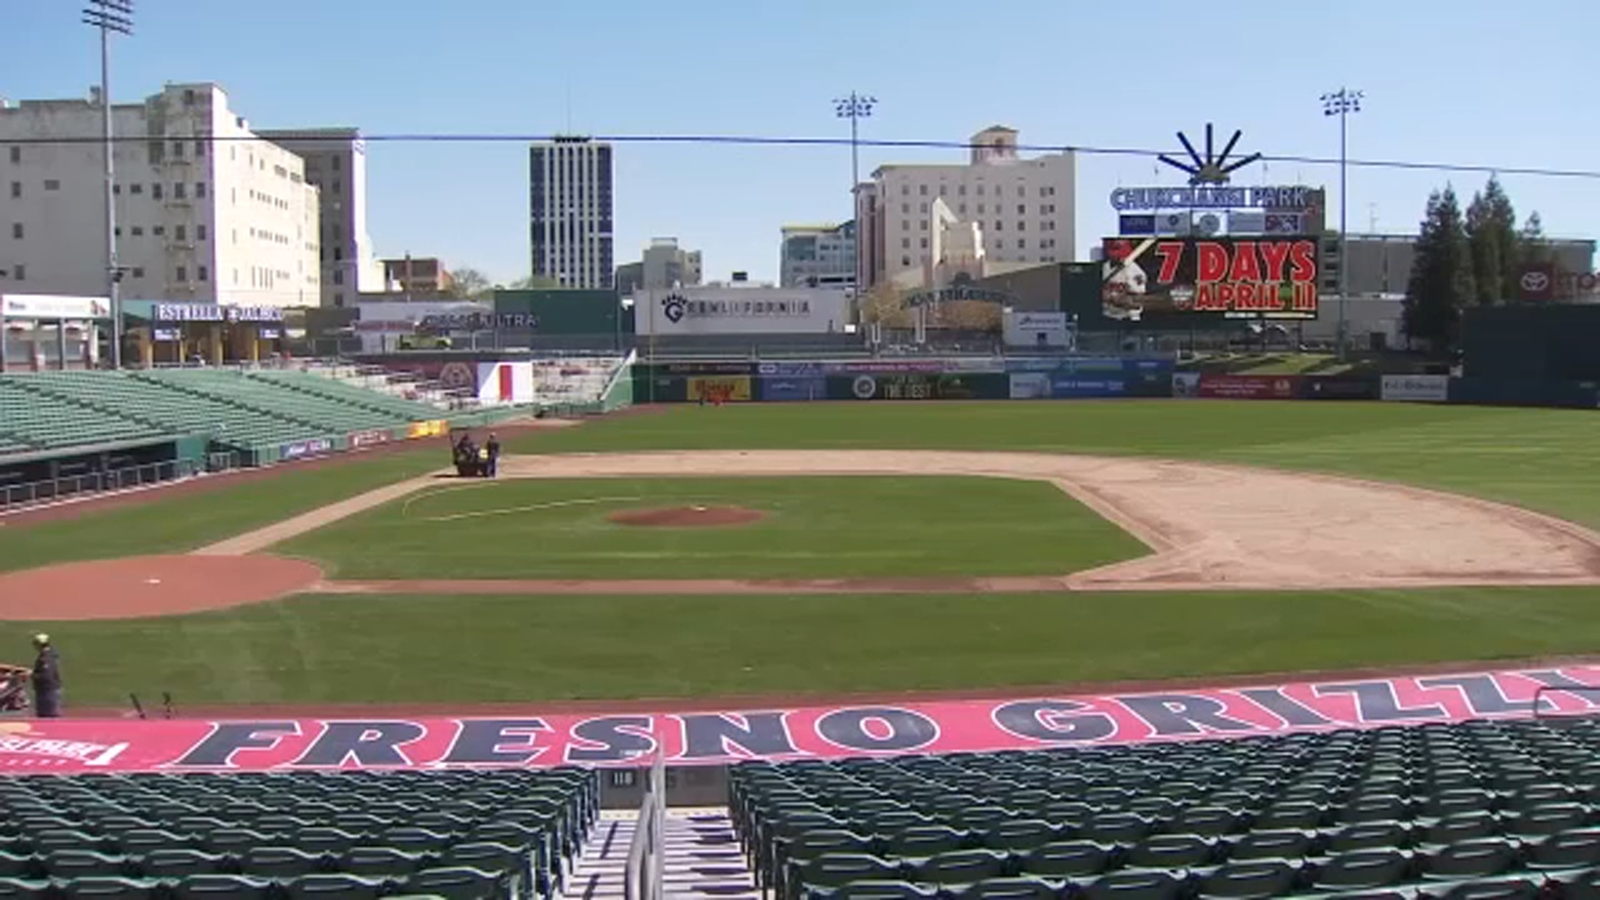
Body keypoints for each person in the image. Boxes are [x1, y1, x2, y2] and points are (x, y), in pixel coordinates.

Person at [30, 635, 60, 719]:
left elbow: (46, 675)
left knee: (47, 716)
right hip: (49, 689)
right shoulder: (50, 654)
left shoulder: (45, 658)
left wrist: (32, 675)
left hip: (47, 691)